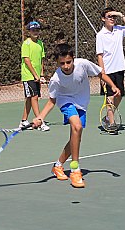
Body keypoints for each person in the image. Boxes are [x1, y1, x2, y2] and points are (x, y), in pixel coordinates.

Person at [32, 44, 119, 188]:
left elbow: (100, 73)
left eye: (68, 62)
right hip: (65, 101)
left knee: (75, 138)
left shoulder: (83, 64)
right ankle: (75, 170)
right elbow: (52, 101)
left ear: (73, 59)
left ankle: (58, 165)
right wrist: (40, 117)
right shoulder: (56, 79)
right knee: (77, 126)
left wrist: (113, 86)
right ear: (57, 63)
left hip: (82, 102)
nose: (66, 66)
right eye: (62, 63)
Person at [95, 7, 125, 114]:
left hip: (119, 69)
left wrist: (120, 14)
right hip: (107, 71)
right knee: (110, 97)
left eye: (114, 17)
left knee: (119, 95)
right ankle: (111, 123)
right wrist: (102, 74)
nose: (112, 19)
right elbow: (100, 56)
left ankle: (109, 115)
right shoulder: (100, 35)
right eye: (109, 17)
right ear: (103, 19)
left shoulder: (119, 30)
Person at [19, 21, 49, 131]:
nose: (35, 32)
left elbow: (41, 60)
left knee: (29, 98)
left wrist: (41, 75)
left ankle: (23, 121)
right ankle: (40, 121)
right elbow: (27, 60)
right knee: (34, 98)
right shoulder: (26, 44)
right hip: (28, 76)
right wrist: (35, 75)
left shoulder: (40, 43)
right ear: (29, 32)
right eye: (33, 30)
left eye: (37, 30)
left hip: (36, 76)